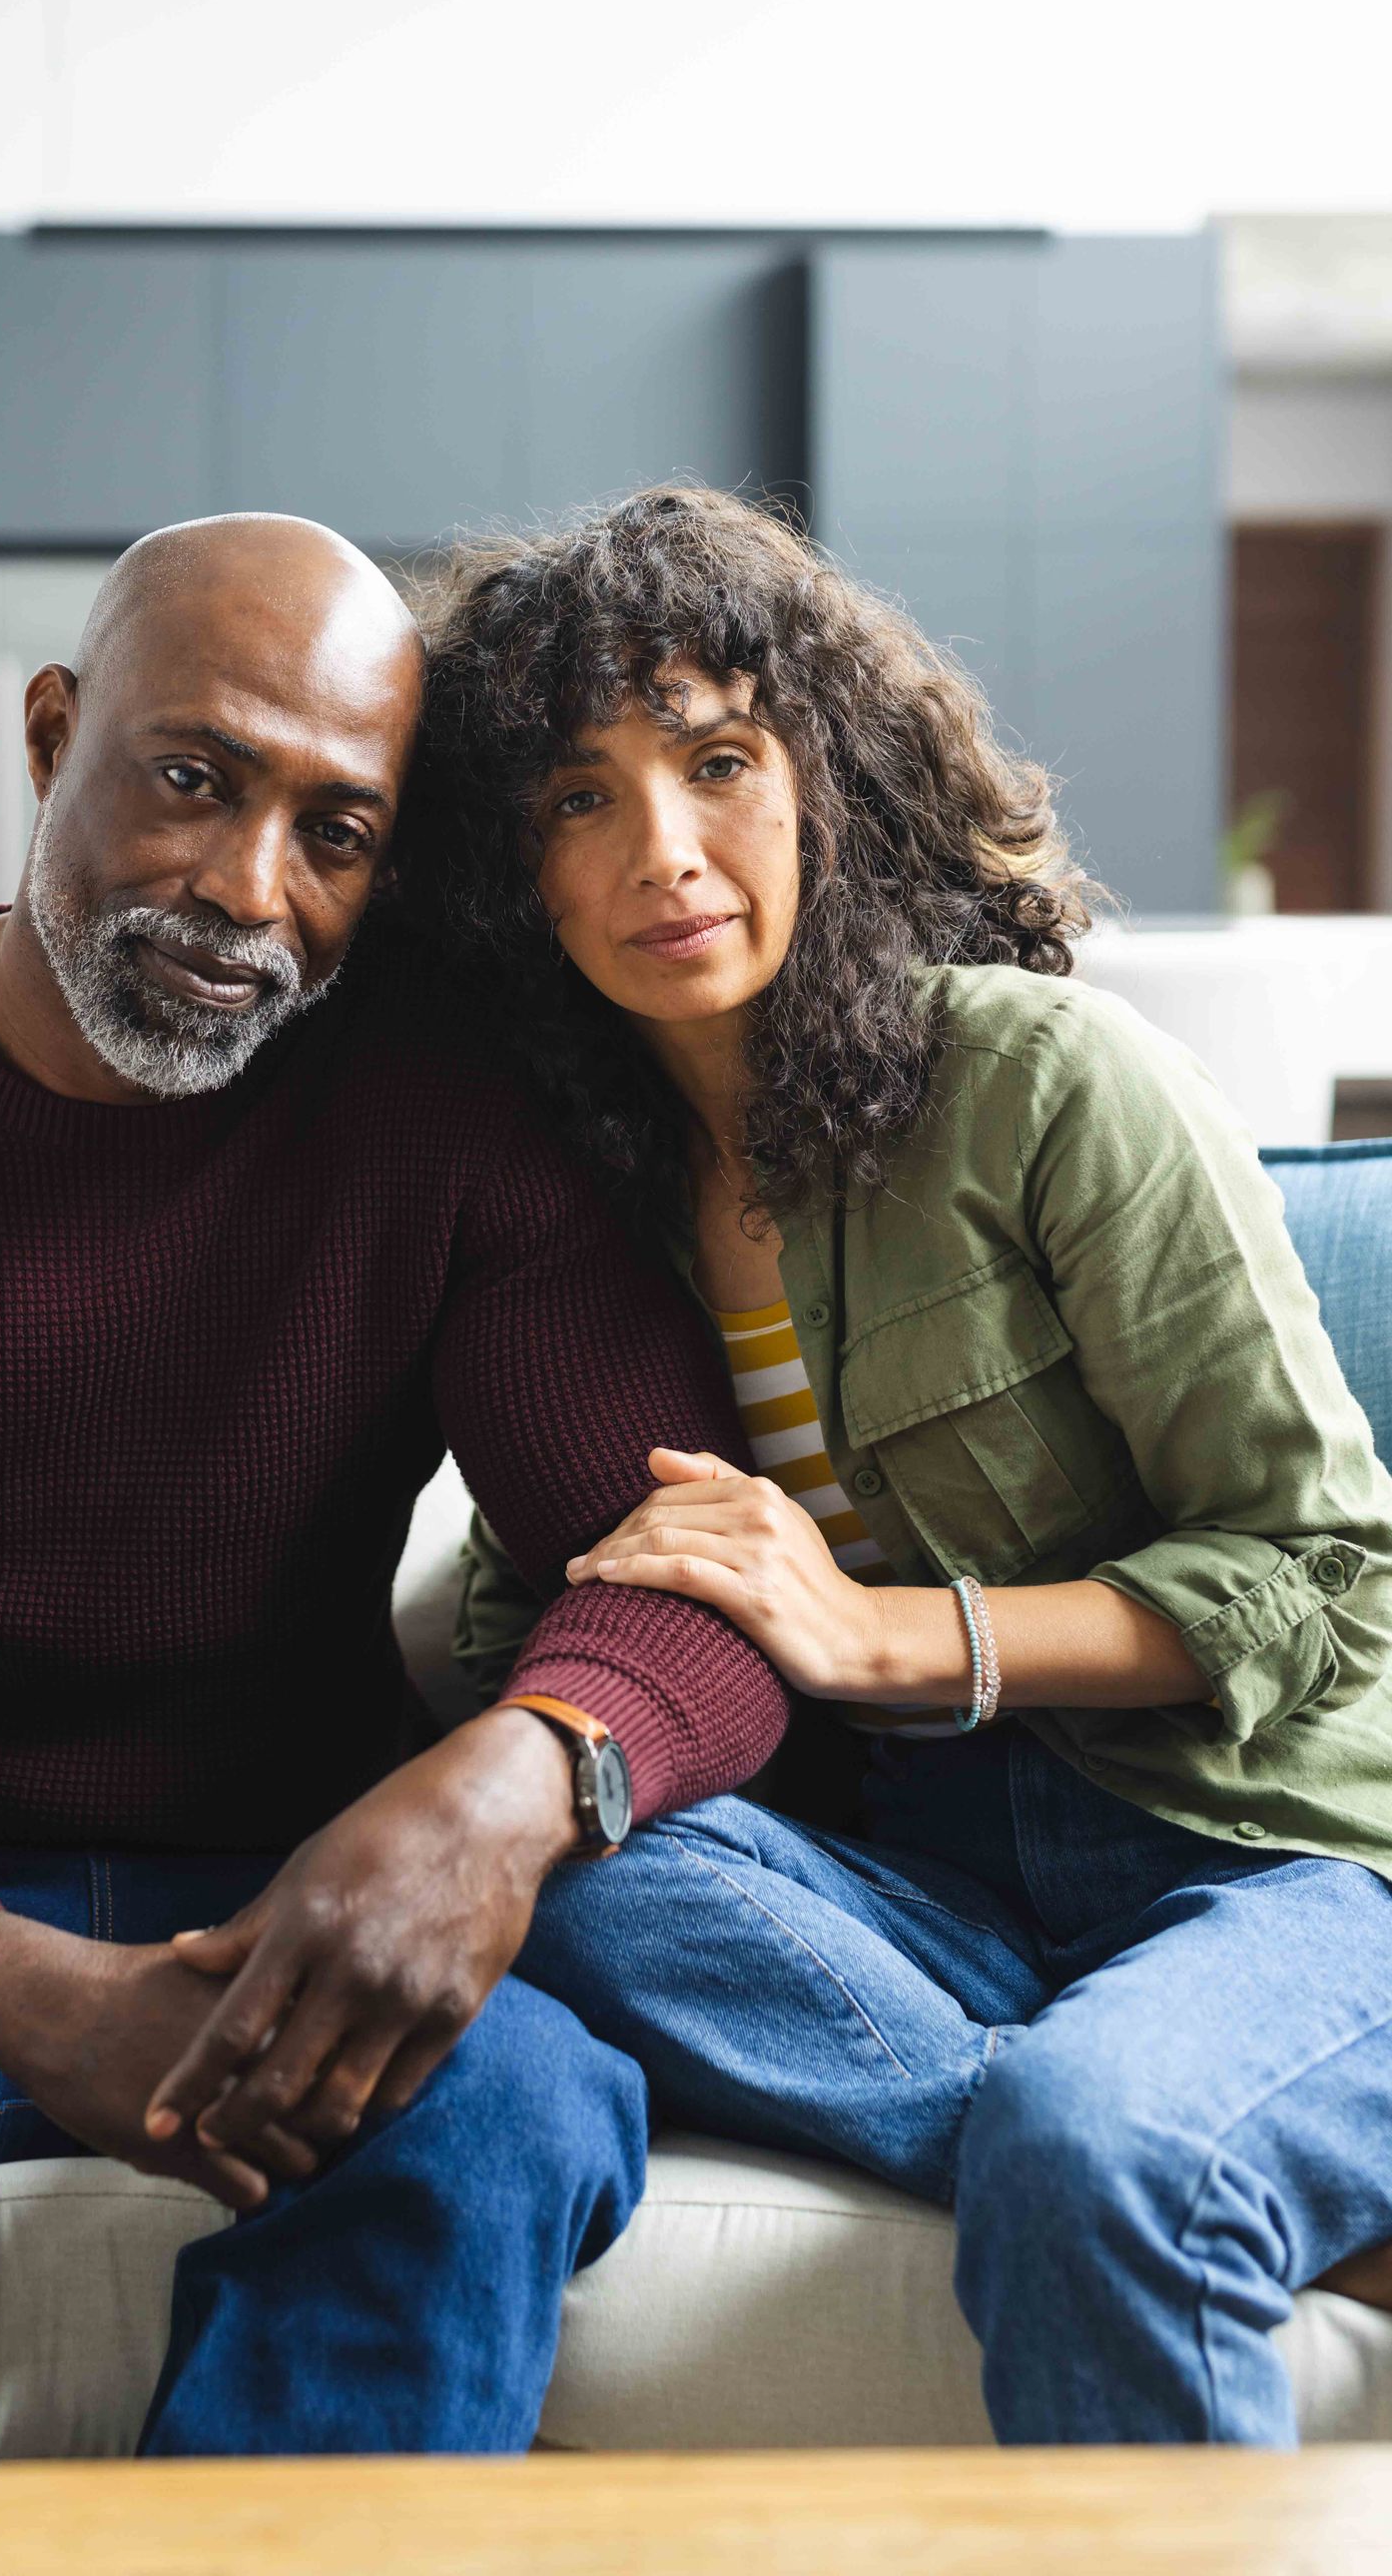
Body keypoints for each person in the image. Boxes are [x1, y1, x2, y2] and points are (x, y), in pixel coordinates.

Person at [0, 511, 791, 2466]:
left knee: (521, 2097)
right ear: (48, 739)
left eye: (335, 832)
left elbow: (695, 1565)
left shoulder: (443, 1123)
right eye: (191, 779)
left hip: (295, 1902)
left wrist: (517, 1775)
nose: (243, 888)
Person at [413, 482, 1392, 2447]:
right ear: (508, 870)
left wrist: (879, 1638)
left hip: (1265, 1849)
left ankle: (1148, 2139)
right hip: (908, 1886)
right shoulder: (564, 1196)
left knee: (1101, 2129)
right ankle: (1206, 2164)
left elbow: (1322, 1572)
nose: (662, 855)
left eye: (717, 763)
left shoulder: (1040, 1080)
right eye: (577, 801)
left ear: (825, 776)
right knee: (569, 1856)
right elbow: (559, 1604)